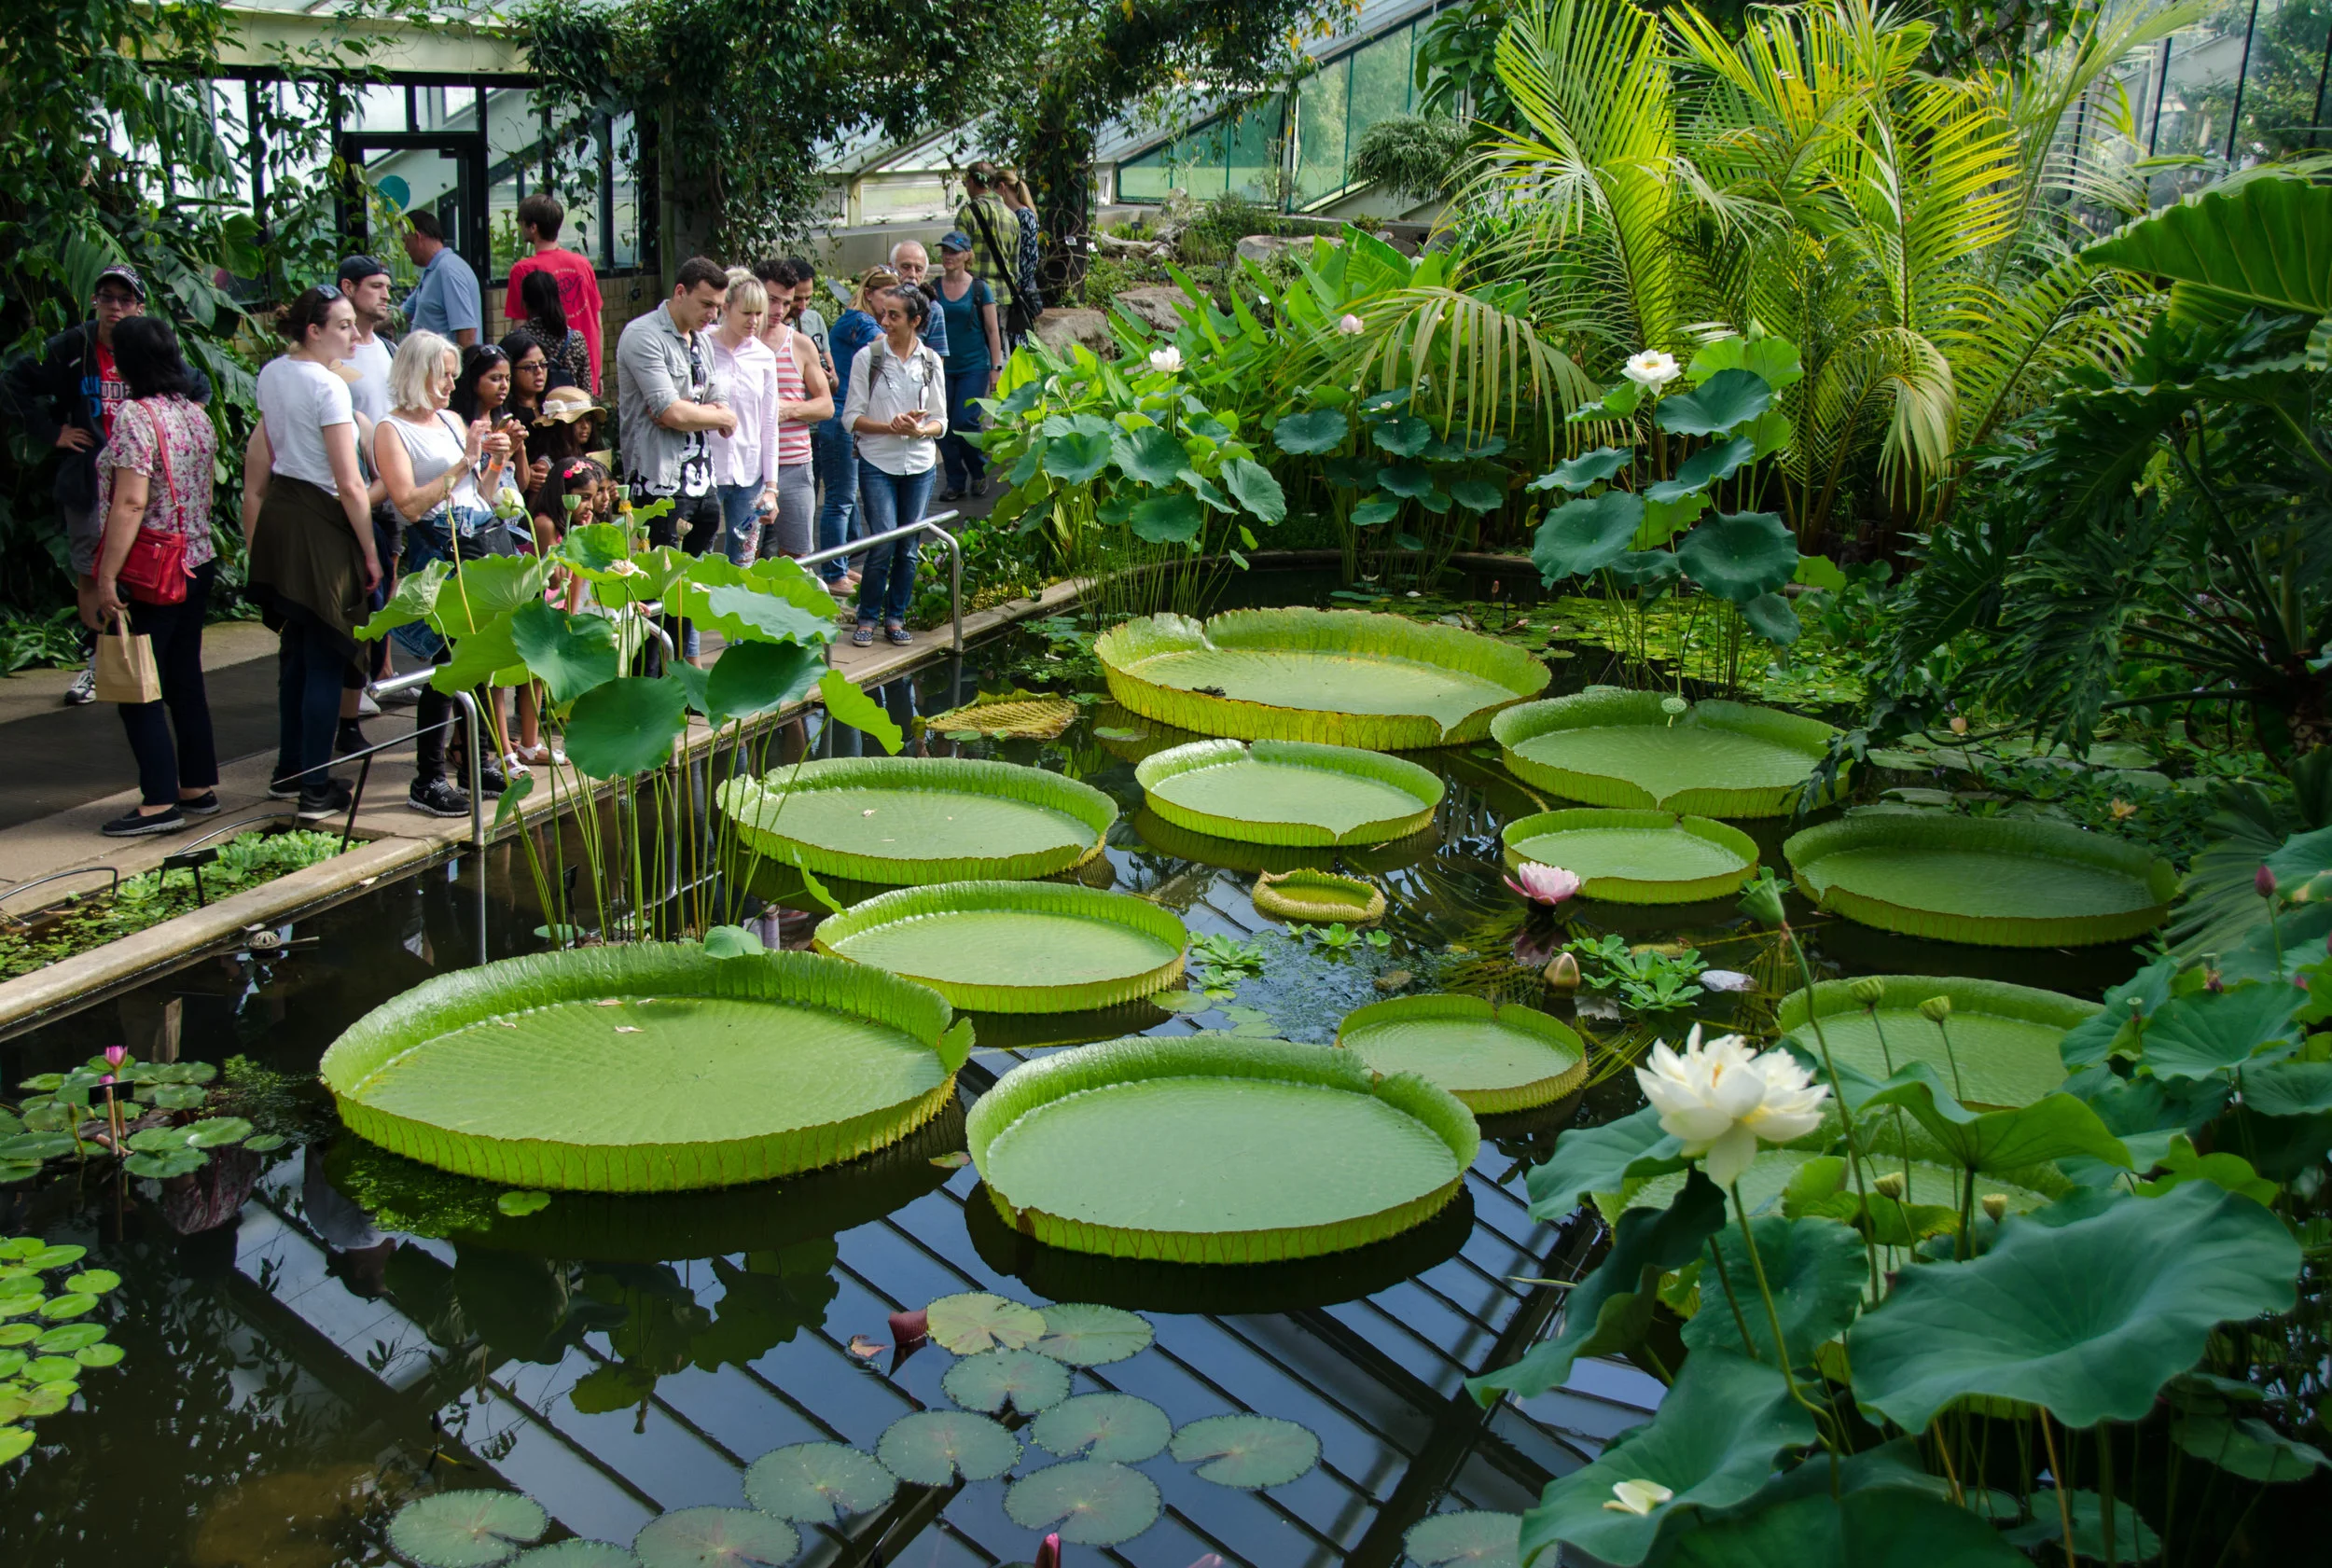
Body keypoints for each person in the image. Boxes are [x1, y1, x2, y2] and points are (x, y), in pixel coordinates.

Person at [2, 263, 210, 705]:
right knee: (92, 575)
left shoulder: (151, 351)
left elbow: (198, 386)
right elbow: (14, 381)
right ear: (94, 300)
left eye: (125, 299)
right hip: (89, 484)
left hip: (144, 494)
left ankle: (135, 664)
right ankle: (101, 663)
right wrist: (52, 432)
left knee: (137, 580)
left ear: (139, 305)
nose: (115, 307)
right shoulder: (72, 347)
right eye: (106, 298)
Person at [244, 284, 383, 822]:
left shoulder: (273, 373)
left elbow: (274, 451)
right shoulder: (328, 386)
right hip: (320, 523)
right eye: (344, 325)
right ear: (314, 330)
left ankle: (291, 769)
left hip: (282, 513)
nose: (354, 334)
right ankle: (315, 787)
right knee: (327, 650)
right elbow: (350, 484)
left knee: (298, 653)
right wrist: (370, 552)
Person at [372, 331, 521, 813]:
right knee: (445, 666)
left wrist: (499, 456)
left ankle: (473, 761)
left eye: (454, 375)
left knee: (476, 657)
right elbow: (409, 506)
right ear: (417, 373)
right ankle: (427, 778)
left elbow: (482, 491)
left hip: (475, 542)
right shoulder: (390, 430)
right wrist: (465, 461)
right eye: (444, 374)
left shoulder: (452, 418)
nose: (450, 384)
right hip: (436, 549)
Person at [90, 316, 220, 837]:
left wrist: (105, 576)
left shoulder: (134, 417)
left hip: (153, 571)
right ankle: (196, 785)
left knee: (136, 681)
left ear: (129, 363)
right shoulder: (196, 415)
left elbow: (130, 500)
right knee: (183, 676)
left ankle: (158, 801)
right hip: (198, 560)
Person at [616, 257, 735, 664]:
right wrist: (694, 412)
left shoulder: (702, 340)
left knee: (686, 590)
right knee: (655, 592)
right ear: (680, 292)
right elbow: (670, 412)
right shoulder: (642, 335)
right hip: (657, 483)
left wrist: (696, 411)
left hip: (702, 481)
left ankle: (680, 689)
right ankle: (646, 689)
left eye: (718, 306)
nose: (713, 315)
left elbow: (720, 403)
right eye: (706, 304)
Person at [843, 286, 946, 648]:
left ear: (915, 321)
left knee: (908, 544)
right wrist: (890, 427)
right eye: (883, 314)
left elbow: (940, 421)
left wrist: (920, 429)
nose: (884, 322)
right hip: (878, 462)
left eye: (894, 316)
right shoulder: (867, 358)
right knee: (883, 540)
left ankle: (896, 617)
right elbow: (851, 418)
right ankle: (868, 616)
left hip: (919, 463)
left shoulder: (931, 361)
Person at [812, 267, 896, 592]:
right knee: (839, 499)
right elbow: (887, 346)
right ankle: (834, 574)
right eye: (888, 296)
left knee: (845, 497)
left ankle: (843, 565)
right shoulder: (861, 322)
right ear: (872, 293)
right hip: (840, 418)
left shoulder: (857, 319)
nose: (892, 305)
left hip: (847, 415)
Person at [708, 270, 781, 567]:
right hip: (708, 470)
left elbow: (769, 424)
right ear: (725, 308)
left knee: (743, 559)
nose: (754, 321)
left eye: (759, 314)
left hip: (749, 472)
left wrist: (772, 487)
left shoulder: (764, 356)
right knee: (698, 555)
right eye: (746, 313)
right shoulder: (701, 346)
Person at [502, 192, 604, 394]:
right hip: (582, 368)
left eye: (522, 223)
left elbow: (519, 327)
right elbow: (597, 324)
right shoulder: (582, 264)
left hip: (542, 374)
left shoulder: (523, 270)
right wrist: (596, 372)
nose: (521, 228)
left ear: (533, 227)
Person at [932, 231, 1003, 503]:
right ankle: (955, 481)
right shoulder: (934, 287)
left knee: (965, 421)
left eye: (954, 251)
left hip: (974, 364)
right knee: (942, 425)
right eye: (945, 251)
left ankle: (979, 470)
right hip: (941, 367)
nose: (948, 256)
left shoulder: (979, 289)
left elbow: (992, 330)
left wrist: (995, 367)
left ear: (966, 255)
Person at [956, 162, 1026, 340]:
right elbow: (1015, 265)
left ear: (971, 181)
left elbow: (959, 259)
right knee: (997, 346)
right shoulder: (1011, 216)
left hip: (974, 296)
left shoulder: (967, 213)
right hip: (1003, 296)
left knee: (974, 349)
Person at [401, 210, 481, 347]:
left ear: (417, 237)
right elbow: (404, 314)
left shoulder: (449, 270)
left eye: (405, 241)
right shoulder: (433, 271)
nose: (405, 248)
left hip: (445, 366)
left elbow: (467, 331)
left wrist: (460, 367)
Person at [509, 270, 593, 395]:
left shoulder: (517, 341)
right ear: (557, 298)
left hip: (534, 412)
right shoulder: (575, 339)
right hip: (570, 410)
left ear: (525, 303)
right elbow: (586, 389)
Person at [337, 254, 397, 428]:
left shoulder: (391, 350)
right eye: (376, 286)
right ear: (348, 287)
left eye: (387, 288)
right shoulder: (328, 355)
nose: (386, 296)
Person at [992, 166, 1048, 325]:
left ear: (1002, 187)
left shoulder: (1024, 216)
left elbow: (1030, 258)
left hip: (1021, 291)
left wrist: (1017, 286)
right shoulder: (1013, 215)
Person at [884, 243, 950, 358]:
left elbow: (936, 360)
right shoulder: (879, 301)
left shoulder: (933, 309)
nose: (912, 274)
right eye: (906, 267)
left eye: (918, 269)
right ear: (891, 267)